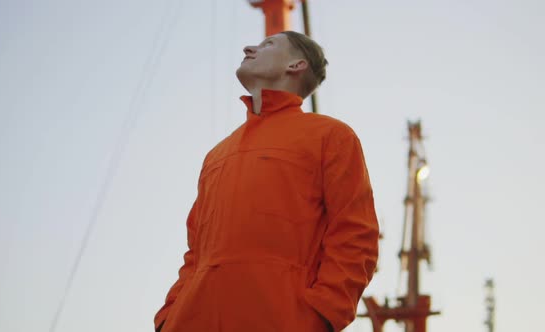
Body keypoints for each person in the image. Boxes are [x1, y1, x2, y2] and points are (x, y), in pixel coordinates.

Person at [154, 31, 379, 332]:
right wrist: (168, 315)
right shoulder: (217, 154)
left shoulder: (331, 136)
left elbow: (355, 235)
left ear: (297, 65)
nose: (248, 48)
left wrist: (322, 316)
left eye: (268, 45)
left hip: (280, 319)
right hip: (192, 320)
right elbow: (195, 251)